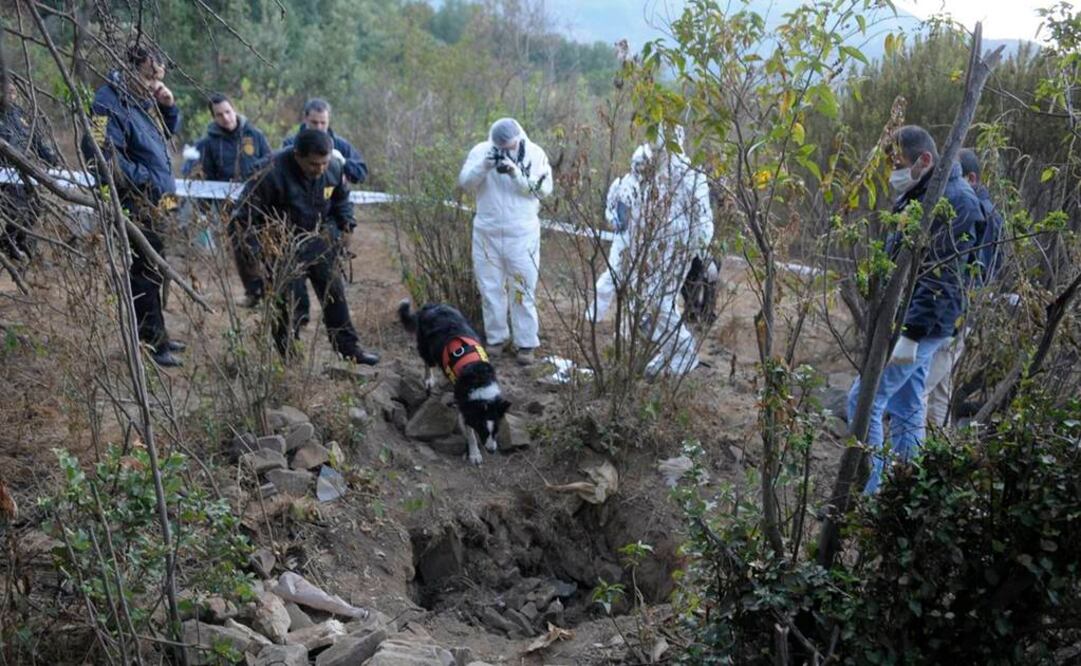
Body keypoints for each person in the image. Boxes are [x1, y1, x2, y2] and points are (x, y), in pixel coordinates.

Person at [847, 125, 984, 493]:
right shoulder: (920, 193)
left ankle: (870, 495)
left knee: (864, 400)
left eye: (899, 163)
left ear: (925, 160)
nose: (893, 171)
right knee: (908, 404)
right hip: (917, 321)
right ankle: (905, 492)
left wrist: (911, 333)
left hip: (926, 324)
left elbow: (941, 278)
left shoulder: (957, 200)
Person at [231, 129, 379, 366]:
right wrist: (256, 259)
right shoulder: (268, 171)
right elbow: (243, 218)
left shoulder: (333, 167)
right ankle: (287, 353)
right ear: (298, 155)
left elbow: (341, 200)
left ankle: (349, 349)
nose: (319, 169)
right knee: (290, 304)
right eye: (313, 164)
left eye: (324, 162)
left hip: (319, 240)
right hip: (281, 246)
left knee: (335, 296)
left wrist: (346, 225)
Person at [83, 45, 185, 367]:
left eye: (159, 78)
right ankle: (153, 345)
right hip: (133, 203)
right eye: (148, 76)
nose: (155, 84)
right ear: (129, 68)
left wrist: (167, 107)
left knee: (156, 268)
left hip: (156, 202)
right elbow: (98, 155)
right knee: (144, 273)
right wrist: (148, 180)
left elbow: (162, 141)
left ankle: (159, 335)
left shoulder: (145, 100)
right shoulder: (105, 103)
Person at [458, 118, 553, 366]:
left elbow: (542, 190)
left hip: (521, 233)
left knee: (522, 289)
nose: (506, 151)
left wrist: (515, 172)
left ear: (518, 138)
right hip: (486, 232)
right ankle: (496, 339)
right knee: (490, 288)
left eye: (510, 146)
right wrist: (484, 166)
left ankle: (526, 343)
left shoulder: (535, 154)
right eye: (502, 147)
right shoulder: (481, 152)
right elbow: (465, 182)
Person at [923, 148, 1005, 427]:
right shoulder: (989, 213)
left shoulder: (977, 213)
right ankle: (934, 457)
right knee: (940, 388)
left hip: (957, 312)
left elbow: (973, 271)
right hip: (963, 311)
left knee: (919, 386)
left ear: (971, 177)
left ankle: (910, 462)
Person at [636, 127, 712, 378]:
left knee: (659, 301)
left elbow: (703, 216)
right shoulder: (656, 172)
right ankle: (670, 350)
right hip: (655, 246)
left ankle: (683, 353)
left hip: (679, 246)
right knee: (649, 301)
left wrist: (703, 251)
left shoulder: (690, 175)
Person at [183, 93, 273, 306]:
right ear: (214, 117)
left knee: (268, 246)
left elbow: (270, 162)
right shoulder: (208, 143)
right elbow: (203, 176)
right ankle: (253, 293)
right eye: (219, 115)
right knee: (242, 249)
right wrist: (203, 209)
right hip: (230, 207)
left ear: (234, 109)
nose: (225, 118)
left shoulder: (255, 134)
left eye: (228, 112)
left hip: (261, 201)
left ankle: (274, 290)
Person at [587, 144, 651, 324]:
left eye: (645, 165)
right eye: (639, 164)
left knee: (639, 281)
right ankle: (594, 315)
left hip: (644, 241)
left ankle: (635, 321)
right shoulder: (621, 183)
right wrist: (612, 220)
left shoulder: (654, 189)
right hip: (622, 238)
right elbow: (609, 208)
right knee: (612, 274)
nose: (642, 168)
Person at [0, 81, 59, 263]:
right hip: (4, 176)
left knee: (35, 206)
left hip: (23, 172)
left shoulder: (19, 114)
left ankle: (14, 244)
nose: (12, 95)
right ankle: (13, 247)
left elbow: (35, 138)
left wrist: (49, 156)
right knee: (17, 207)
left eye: (14, 92)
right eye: (7, 91)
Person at [281, 98, 368, 184]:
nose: (319, 128)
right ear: (305, 118)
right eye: (314, 122)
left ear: (329, 120)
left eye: (323, 123)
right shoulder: (291, 143)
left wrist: (343, 162)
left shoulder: (340, 145)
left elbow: (361, 174)